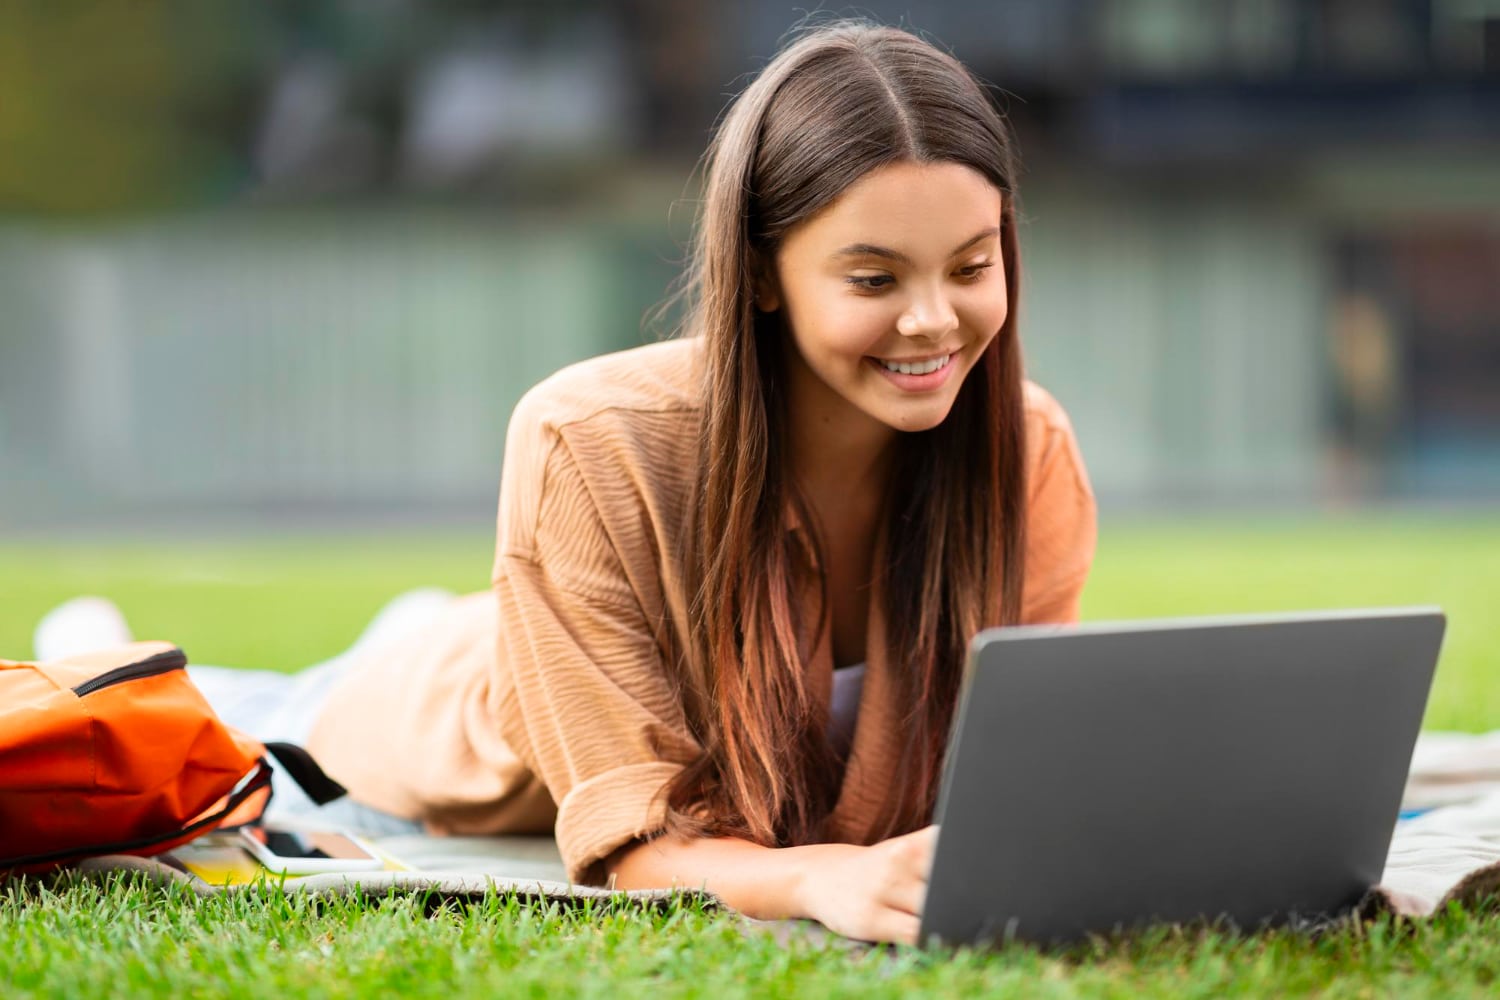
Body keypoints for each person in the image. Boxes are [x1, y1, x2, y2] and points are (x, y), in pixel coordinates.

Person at [34, 21, 1096, 944]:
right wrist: (822, 876)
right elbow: (637, 844)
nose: (932, 321)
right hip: (441, 716)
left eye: (969, 266)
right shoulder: (590, 438)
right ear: (764, 272)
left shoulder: (1028, 453)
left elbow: (1005, 777)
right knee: (184, 725)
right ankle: (88, 648)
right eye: (874, 278)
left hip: (515, 631)